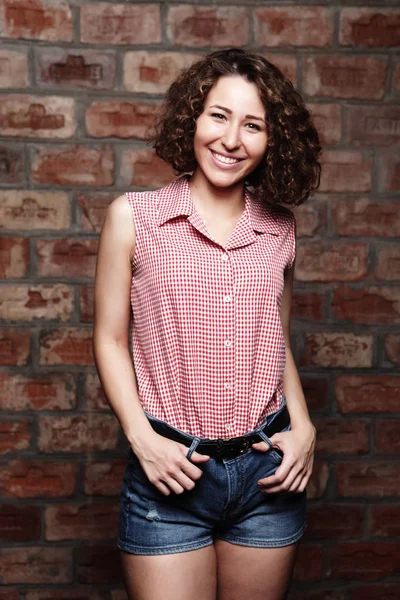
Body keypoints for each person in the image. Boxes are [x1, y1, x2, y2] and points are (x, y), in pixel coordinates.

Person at [93, 48, 321, 600]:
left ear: (273, 141)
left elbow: (275, 340)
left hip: (267, 477)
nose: (231, 139)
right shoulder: (134, 217)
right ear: (192, 118)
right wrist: (142, 439)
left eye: (253, 125)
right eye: (218, 115)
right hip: (170, 473)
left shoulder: (280, 231)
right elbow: (110, 338)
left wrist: (305, 425)